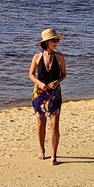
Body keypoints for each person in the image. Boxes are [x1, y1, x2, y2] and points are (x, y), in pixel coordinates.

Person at [29, 27, 67, 166]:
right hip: (39, 94)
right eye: (53, 40)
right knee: (40, 123)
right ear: (46, 42)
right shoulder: (37, 57)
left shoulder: (60, 57)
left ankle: (54, 155)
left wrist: (57, 81)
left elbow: (63, 74)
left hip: (55, 93)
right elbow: (31, 74)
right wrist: (40, 84)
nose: (56, 43)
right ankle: (41, 149)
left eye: (57, 40)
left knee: (54, 125)